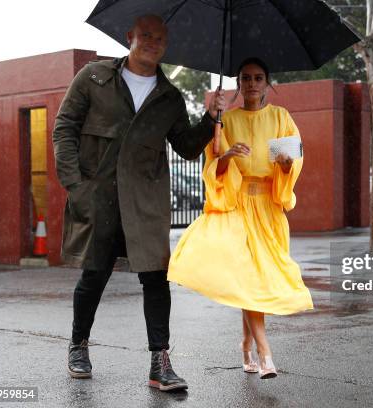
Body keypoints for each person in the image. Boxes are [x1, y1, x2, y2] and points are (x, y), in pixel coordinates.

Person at [52, 14, 226, 391]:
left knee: (155, 277)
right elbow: (63, 129)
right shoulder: (94, 78)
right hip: (100, 195)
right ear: (129, 37)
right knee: (94, 275)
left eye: (160, 38)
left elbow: (186, 146)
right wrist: (76, 187)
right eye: (145, 35)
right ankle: (78, 344)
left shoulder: (170, 97)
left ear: (166, 45)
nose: (152, 42)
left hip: (145, 200)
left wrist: (210, 119)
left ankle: (159, 362)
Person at [167, 57, 313, 379]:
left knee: (257, 279)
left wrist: (287, 166)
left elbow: (293, 162)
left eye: (258, 78)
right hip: (237, 207)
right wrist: (227, 156)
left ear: (267, 82)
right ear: (237, 82)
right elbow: (213, 168)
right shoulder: (226, 120)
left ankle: (245, 342)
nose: (251, 84)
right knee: (250, 278)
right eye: (246, 78)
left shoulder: (280, 117)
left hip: (269, 209)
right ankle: (265, 353)